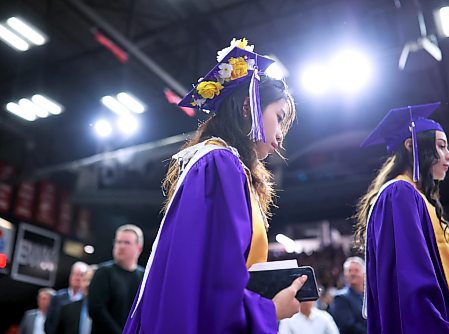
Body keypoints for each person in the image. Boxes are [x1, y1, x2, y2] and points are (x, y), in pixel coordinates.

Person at [123, 38, 305, 334]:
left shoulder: (217, 163)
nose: (281, 135)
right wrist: (269, 310)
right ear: (249, 106)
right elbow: (217, 284)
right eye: (279, 118)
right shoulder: (221, 165)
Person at [354, 102, 449, 334]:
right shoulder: (399, 194)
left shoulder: (414, 196)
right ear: (411, 146)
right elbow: (409, 282)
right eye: (441, 146)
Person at [88, 225, 144, 334]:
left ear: (139, 248)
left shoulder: (143, 277)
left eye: (127, 242)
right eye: (118, 242)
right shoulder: (103, 272)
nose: (121, 246)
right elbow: (96, 310)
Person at [45, 262, 89, 334]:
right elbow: (49, 322)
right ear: (70, 276)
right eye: (76, 274)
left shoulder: (86, 300)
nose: (78, 278)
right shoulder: (57, 297)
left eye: (81, 275)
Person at [330, 257, 367, 334]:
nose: (353, 274)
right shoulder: (340, 298)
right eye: (349, 271)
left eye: (356, 270)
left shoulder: (368, 297)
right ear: (345, 274)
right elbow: (349, 325)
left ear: (364, 273)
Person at [54, 266, 95, 334]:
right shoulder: (67, 309)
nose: (88, 284)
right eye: (85, 280)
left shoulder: (109, 310)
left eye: (91, 280)